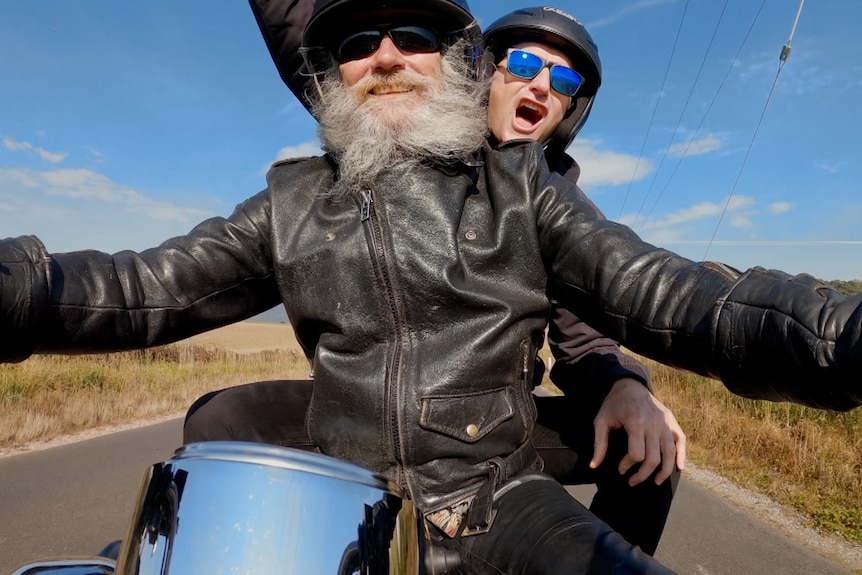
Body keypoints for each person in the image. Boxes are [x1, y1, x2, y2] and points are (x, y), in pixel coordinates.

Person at [3, 0, 862, 572]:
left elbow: (678, 296)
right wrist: (16, 288)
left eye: (411, 37)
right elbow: (138, 284)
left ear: (448, 64)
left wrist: (837, 337)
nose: (383, 56)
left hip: (501, 489)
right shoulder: (291, 199)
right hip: (344, 496)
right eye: (355, 46)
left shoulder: (526, 187)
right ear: (330, 77)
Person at [198, 1, 680, 556]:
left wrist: (626, 384)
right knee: (221, 418)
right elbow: (326, 47)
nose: (541, 86)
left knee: (652, 448)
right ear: (482, 71)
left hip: (493, 428)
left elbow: (586, 331)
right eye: (523, 65)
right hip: (372, 411)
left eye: (564, 79)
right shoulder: (410, 128)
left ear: (571, 110)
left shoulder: (559, 202)